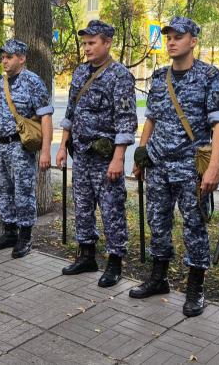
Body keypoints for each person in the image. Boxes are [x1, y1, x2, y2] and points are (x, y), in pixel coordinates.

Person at [129, 16, 219, 318]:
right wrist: (141, 155)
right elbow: (151, 119)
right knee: (157, 223)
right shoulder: (159, 77)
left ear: (193, 41)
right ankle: (158, 278)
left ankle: (195, 288)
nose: (171, 41)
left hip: (190, 168)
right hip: (159, 165)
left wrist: (213, 167)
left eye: (178, 36)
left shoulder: (210, 76)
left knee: (194, 227)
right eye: (169, 36)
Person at [55, 20, 137, 288]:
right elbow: (70, 112)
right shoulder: (80, 73)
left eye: (92, 43)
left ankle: (114, 262)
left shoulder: (119, 75)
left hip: (105, 157)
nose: (87, 48)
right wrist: (62, 146)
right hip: (81, 154)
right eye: (85, 43)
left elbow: (126, 120)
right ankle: (86, 254)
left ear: (107, 43)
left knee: (112, 209)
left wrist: (118, 157)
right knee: (82, 206)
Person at [0, 39, 54, 258]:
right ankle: (10, 231)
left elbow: (45, 117)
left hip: (20, 146)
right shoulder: (0, 83)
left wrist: (45, 151)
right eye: (3, 57)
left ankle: (25, 236)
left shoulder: (33, 82)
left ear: (22, 58)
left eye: (9, 57)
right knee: (2, 189)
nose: (4, 61)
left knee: (23, 192)